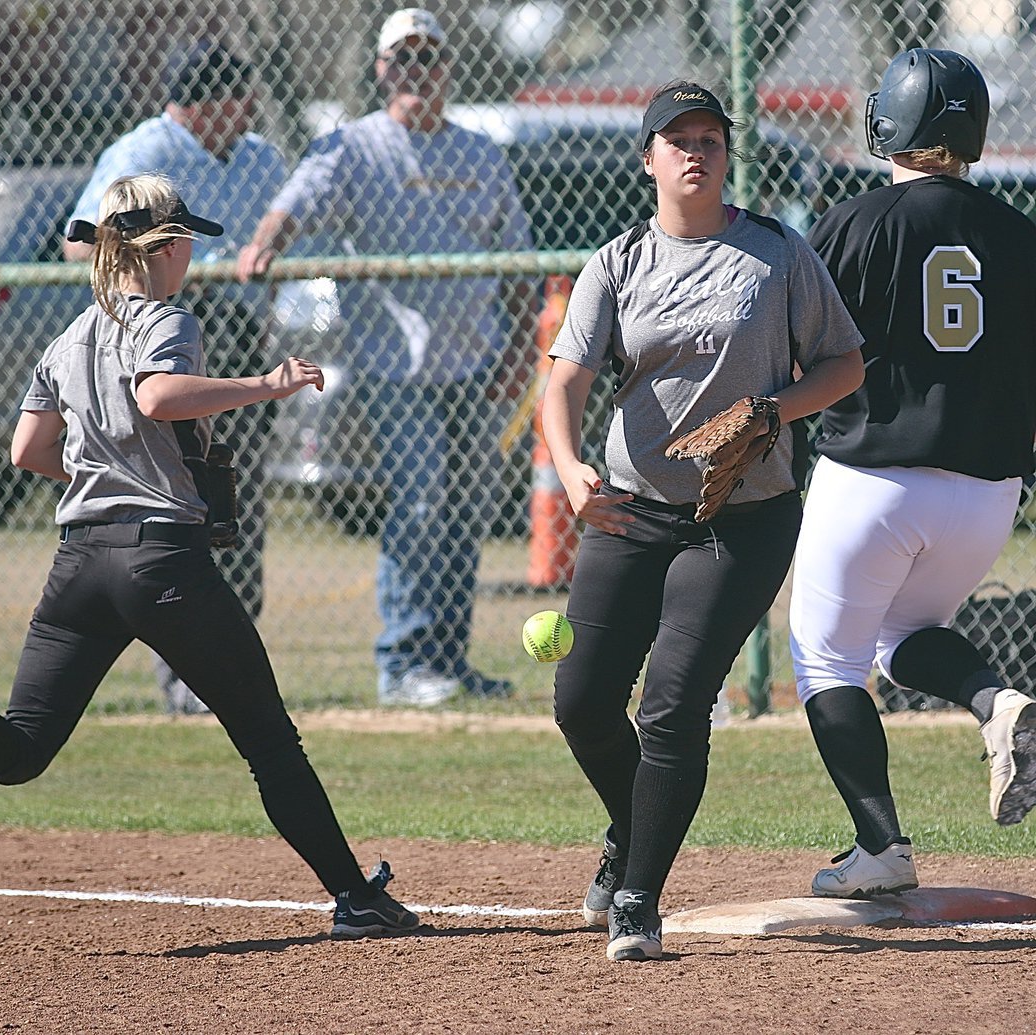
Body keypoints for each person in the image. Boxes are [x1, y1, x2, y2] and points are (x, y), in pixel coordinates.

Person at [0, 174, 419, 941]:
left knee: (23, 745)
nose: (191, 252)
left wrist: (101, 472)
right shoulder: (168, 319)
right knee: (268, 741)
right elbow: (157, 397)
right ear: (158, 247)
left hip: (81, 561)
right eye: (184, 238)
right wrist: (267, 383)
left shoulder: (66, 337)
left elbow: (28, 451)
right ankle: (357, 899)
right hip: (163, 563)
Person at [542, 81, 865, 962]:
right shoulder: (617, 262)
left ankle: (638, 895)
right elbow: (564, 380)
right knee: (581, 703)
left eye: (710, 138)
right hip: (626, 508)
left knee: (676, 705)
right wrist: (572, 470)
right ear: (647, 158)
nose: (696, 151)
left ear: (728, 156)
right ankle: (630, 826)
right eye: (676, 138)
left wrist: (776, 408)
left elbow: (844, 364)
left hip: (742, 518)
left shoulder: (776, 254)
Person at [789, 48, 1036, 900]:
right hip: (989, 495)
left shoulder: (856, 221)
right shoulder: (1020, 231)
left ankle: (880, 845)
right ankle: (996, 700)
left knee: (826, 660)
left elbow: (801, 345)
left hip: (874, 479)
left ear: (885, 122)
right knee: (899, 637)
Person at [236, 8, 538, 707]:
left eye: (429, 58)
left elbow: (520, 267)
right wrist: (265, 242)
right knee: (423, 498)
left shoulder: (480, 153)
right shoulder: (352, 148)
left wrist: (521, 351)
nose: (416, 72)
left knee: (467, 509)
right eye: (402, 59)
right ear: (381, 70)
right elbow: (292, 205)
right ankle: (402, 663)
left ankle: (448, 659)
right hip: (393, 368)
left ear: (447, 70)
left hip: (475, 364)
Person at [65, 43, 287, 715]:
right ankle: (185, 676)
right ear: (202, 104)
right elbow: (78, 241)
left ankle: (224, 666)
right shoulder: (141, 152)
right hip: (166, 336)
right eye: (235, 97)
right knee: (179, 504)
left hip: (238, 333)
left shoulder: (260, 157)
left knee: (233, 502)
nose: (246, 109)